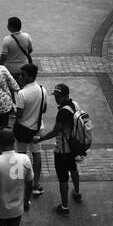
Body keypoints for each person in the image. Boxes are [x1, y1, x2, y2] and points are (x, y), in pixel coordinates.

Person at [36, 83, 83, 215]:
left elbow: (55, 132)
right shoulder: (75, 104)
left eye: (59, 96)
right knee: (73, 169)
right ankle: (77, 192)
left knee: (63, 179)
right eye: (56, 96)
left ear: (65, 96)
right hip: (73, 147)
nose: (56, 99)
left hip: (62, 150)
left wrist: (40, 139)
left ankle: (64, 206)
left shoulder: (63, 112)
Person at [12, 63, 47, 207]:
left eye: (23, 75)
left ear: (30, 76)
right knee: (36, 154)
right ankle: (36, 184)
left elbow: (19, 115)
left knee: (21, 155)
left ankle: (20, 184)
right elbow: (43, 109)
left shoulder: (21, 94)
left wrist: (13, 107)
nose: (20, 77)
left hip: (23, 129)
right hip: (38, 128)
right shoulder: (42, 90)